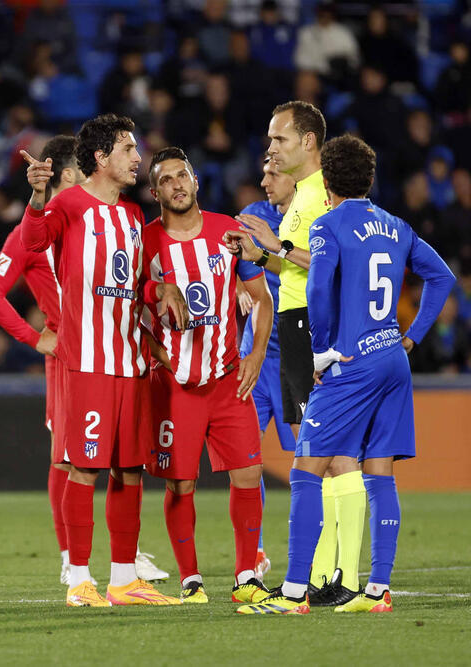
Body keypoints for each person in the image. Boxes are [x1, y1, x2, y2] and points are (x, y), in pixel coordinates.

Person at [237, 135, 455, 614]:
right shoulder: (397, 226)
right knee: (379, 473)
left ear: (327, 180)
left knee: (305, 471)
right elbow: (442, 278)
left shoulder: (328, 225)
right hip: (392, 359)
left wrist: (320, 352)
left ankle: (294, 593)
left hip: (349, 361)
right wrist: (413, 335)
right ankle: (376, 591)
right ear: (370, 179)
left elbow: (317, 290)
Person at [0, 135, 170, 587]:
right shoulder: (51, 220)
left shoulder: (120, 215)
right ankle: (73, 560)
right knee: (70, 461)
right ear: (71, 173)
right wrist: (35, 337)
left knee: (122, 462)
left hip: (121, 354)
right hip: (73, 356)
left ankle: (122, 562)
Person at [21, 113, 187, 607]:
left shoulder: (134, 217)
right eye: (129, 149)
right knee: (83, 468)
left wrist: (162, 289)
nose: (139, 158)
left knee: (129, 470)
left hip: (131, 362)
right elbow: (32, 246)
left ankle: (122, 579)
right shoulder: (70, 204)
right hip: (88, 361)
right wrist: (35, 196)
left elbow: (134, 284)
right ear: (101, 158)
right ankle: (77, 579)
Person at [230, 100, 366, 606]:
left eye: (280, 140)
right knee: (330, 459)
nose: (272, 149)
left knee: (325, 460)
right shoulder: (307, 197)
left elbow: (331, 265)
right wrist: (262, 254)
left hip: (308, 328)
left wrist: (276, 249)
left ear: (308, 142)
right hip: (297, 325)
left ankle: (338, 578)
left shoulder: (315, 198)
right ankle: (335, 576)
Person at [141, 147, 273, 605]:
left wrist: (255, 354)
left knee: (248, 473)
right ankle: (190, 579)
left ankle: (245, 577)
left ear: (195, 181)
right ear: (155, 191)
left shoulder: (227, 233)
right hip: (175, 387)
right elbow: (132, 314)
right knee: (181, 483)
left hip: (227, 379)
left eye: (183, 175)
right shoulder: (145, 243)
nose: (177, 185)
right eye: (166, 179)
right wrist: (159, 353)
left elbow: (261, 299)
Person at [236, 156, 298, 580]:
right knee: (247, 459)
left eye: (273, 172)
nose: (264, 180)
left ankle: (319, 551)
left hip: (299, 357)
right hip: (255, 357)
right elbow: (227, 258)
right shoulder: (253, 215)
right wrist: (243, 285)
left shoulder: (314, 216)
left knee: (319, 461)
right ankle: (254, 551)